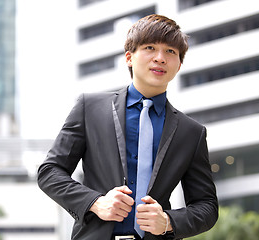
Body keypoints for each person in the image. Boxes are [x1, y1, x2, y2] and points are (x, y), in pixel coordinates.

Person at [37, 14, 218, 240]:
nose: (160, 58)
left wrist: (168, 222)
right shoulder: (90, 108)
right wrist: (95, 202)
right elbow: (50, 172)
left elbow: (207, 206)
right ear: (129, 57)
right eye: (150, 48)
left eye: (171, 52)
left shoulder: (192, 132)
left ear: (179, 64)